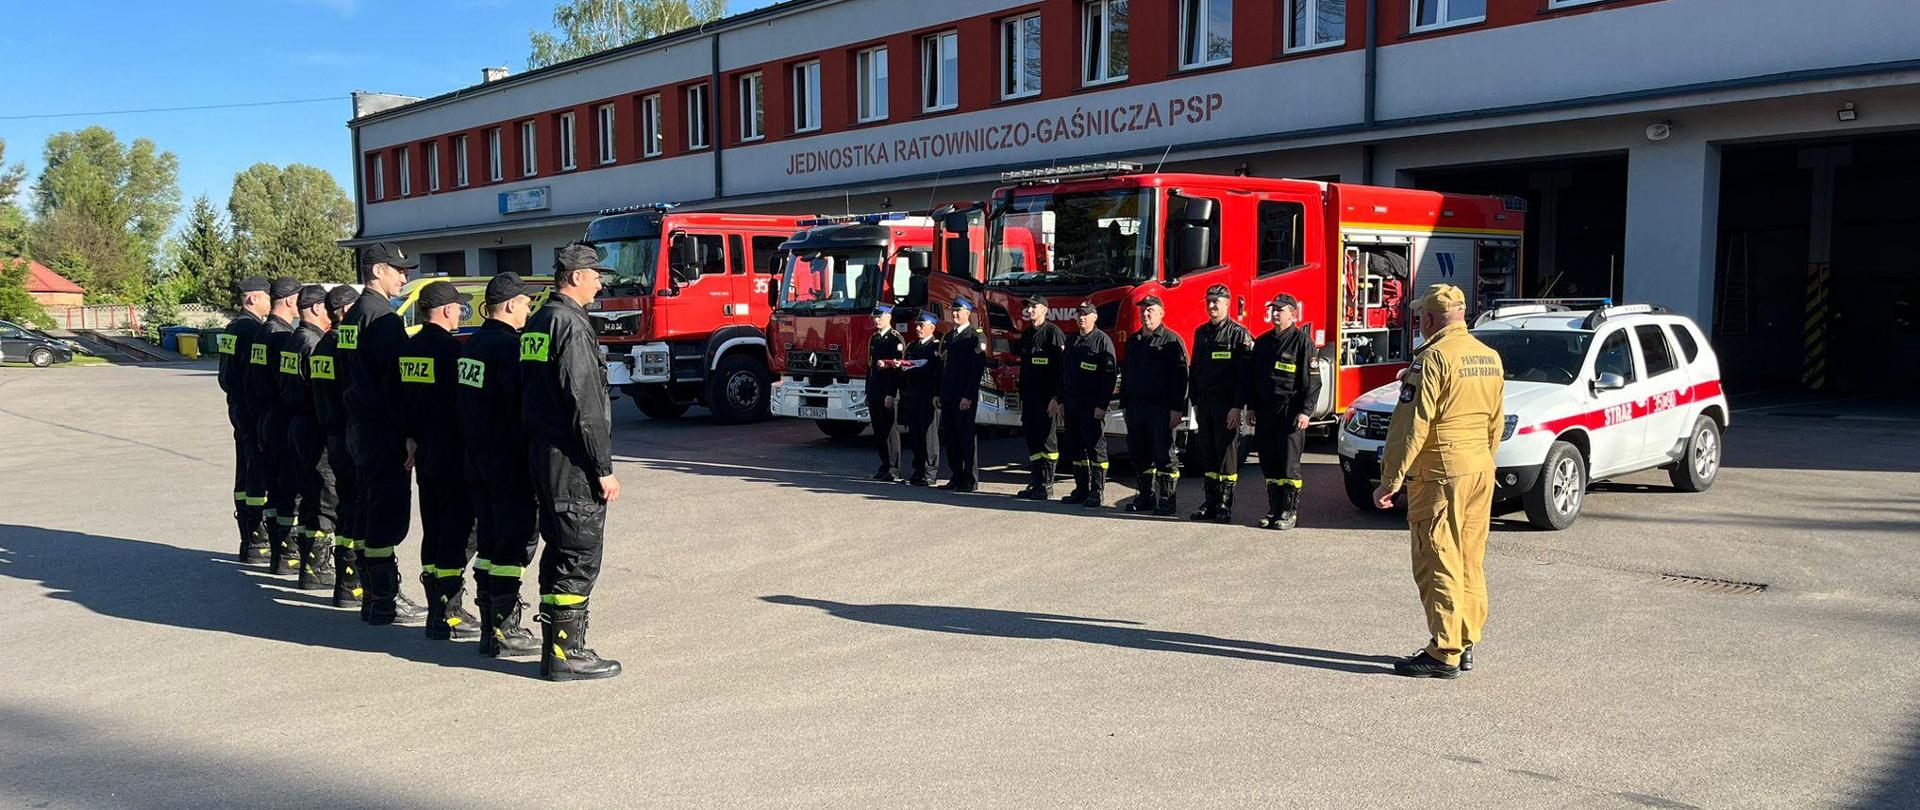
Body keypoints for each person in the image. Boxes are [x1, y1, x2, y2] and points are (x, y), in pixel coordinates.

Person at [1372, 284, 1505, 679]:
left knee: (1438, 559)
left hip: (1441, 472)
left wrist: (1390, 480)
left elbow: (1410, 427)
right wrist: (1484, 462)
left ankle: (1443, 650)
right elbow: (1496, 421)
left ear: (1429, 319)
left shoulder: (1431, 359)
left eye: (1420, 316)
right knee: (1469, 559)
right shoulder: (1489, 357)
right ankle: (1465, 640)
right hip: (1479, 466)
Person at [522, 243, 623, 681]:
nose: (600, 281)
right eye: (595, 274)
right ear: (576, 277)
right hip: (572, 459)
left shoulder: (538, 321)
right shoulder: (569, 324)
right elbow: (587, 405)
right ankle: (567, 654)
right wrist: (604, 468)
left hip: (543, 454)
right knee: (578, 551)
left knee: (559, 547)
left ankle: (558, 649)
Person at [340, 243, 425, 625]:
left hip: (357, 429)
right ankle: (385, 599)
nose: (404, 278)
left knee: (366, 512)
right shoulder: (385, 320)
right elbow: (398, 384)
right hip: (384, 433)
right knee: (386, 518)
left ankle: (372, 596)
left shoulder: (351, 318)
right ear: (377, 271)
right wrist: (409, 433)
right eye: (398, 270)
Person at [458, 273, 541, 657]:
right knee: (510, 545)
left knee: (489, 543)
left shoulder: (472, 345)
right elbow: (519, 410)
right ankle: (505, 628)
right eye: (526, 304)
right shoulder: (510, 349)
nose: (528, 311)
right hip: (508, 463)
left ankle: (491, 628)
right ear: (509, 304)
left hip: (477, 459)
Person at [399, 281, 481, 641]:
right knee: (454, 530)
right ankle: (449, 612)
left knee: (433, 528)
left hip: (423, 449)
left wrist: (411, 437)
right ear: (448, 310)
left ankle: (436, 611)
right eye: (459, 308)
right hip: (451, 452)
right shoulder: (451, 352)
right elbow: (462, 406)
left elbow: (403, 400)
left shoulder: (409, 348)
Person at [1243, 293, 1321, 530]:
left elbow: (1313, 381)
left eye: (1281, 309)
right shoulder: (1264, 342)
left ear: (1293, 314)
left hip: (1291, 412)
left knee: (1289, 465)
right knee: (1270, 463)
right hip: (1266, 412)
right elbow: (1254, 378)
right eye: (1274, 309)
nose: (1275, 313)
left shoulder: (1302, 342)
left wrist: (1306, 411)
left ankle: (1289, 511)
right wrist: (1252, 407)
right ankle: (1274, 509)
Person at [281, 284, 338, 591]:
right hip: (314, 428)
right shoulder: (313, 342)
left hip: (295, 424)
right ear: (317, 308)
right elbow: (322, 392)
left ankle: (308, 563)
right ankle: (316, 567)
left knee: (308, 495)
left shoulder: (293, 339)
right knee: (324, 498)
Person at [310, 284, 363, 608]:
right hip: (349, 436)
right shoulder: (345, 346)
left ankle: (346, 582)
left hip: (331, 435)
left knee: (344, 509)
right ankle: (352, 583)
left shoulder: (321, 347)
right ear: (345, 311)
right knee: (355, 509)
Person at [247, 277, 302, 574]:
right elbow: (288, 385)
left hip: (264, 418)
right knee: (287, 489)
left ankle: (277, 553)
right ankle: (286, 552)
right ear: (291, 301)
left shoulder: (261, 333)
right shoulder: (282, 336)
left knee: (273, 487)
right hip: (281, 420)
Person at [1187, 284, 1253, 523]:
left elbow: (1244, 376)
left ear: (1227, 304)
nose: (1212, 305)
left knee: (1226, 455)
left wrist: (1238, 406)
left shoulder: (1238, 334)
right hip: (1204, 403)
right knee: (1208, 454)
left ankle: (1225, 504)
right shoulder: (1201, 333)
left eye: (1217, 301)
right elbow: (1195, 369)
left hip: (1227, 405)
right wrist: (1194, 401)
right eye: (1209, 301)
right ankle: (1211, 502)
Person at [219, 277, 271, 563]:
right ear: (252, 299)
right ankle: (256, 538)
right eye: (266, 296)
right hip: (251, 410)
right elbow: (254, 377)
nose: (269, 302)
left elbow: (226, 376)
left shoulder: (233, 327)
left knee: (245, 469)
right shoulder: (251, 330)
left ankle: (248, 538)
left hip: (238, 408)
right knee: (256, 472)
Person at [1120, 296, 1188, 516]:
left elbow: (1181, 378)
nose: (1145, 314)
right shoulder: (1134, 341)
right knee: (1139, 453)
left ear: (1161, 313)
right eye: (1143, 311)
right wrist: (1124, 405)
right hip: (1136, 408)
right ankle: (1145, 497)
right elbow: (1127, 374)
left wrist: (1177, 409)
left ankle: (1167, 501)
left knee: (1164, 454)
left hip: (1161, 409)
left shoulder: (1171, 341)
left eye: (1151, 310)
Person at [1056, 301, 1116, 508]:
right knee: (1074, 448)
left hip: (1092, 406)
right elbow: (1064, 373)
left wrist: (1102, 405)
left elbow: (1109, 377)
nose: (1082, 318)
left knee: (1095, 448)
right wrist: (1061, 401)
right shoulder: (1072, 341)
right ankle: (1081, 489)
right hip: (1072, 405)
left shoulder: (1102, 341)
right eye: (1079, 314)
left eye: (1086, 314)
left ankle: (1097, 491)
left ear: (1095, 317)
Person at [1013, 295, 1065, 500]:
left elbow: (1061, 370)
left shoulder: (1054, 334)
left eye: (1034, 307)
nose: (1030, 310)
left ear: (1044, 310)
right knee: (1032, 439)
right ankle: (1035, 481)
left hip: (1047, 399)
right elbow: (1024, 368)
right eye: (1029, 307)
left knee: (1047, 441)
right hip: (1030, 397)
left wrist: (1056, 397)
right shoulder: (1027, 335)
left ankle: (1047, 484)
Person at [938, 298, 986, 492]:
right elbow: (943, 368)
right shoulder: (949, 337)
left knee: (966, 438)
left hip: (964, 397)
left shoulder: (975, 337)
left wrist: (968, 395)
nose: (955, 314)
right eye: (953, 311)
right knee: (951, 438)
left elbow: (976, 370)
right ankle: (956, 476)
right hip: (948, 395)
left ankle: (970, 479)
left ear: (968, 313)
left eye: (959, 311)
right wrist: (939, 393)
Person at [898, 310, 943, 487]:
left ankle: (930, 473)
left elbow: (934, 372)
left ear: (931, 327)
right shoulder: (912, 347)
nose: (917, 328)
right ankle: (918, 471)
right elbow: (904, 369)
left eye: (921, 325)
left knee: (929, 437)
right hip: (913, 398)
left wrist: (912, 369)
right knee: (915, 436)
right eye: (917, 325)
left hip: (928, 398)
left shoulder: (935, 347)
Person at [865, 305, 905, 482]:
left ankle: (894, 468)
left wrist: (891, 393)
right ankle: (884, 465)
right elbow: (870, 368)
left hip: (887, 392)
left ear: (889, 317)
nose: (877, 320)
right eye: (875, 317)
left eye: (880, 317)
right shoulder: (874, 338)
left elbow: (897, 370)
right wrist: (868, 392)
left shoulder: (894, 339)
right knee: (879, 431)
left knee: (890, 432)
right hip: (875, 391)